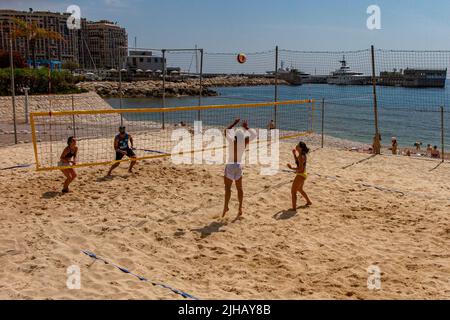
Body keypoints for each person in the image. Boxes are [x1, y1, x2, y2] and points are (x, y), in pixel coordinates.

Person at [222, 118, 257, 219]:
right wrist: (246, 127)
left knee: (228, 188)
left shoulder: (232, 141)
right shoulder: (245, 142)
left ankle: (226, 207)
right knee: (239, 188)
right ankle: (240, 208)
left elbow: (226, 131)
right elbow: (254, 135)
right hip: (239, 166)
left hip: (230, 165)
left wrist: (234, 123)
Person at [288, 141, 312, 210]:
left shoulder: (301, 156)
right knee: (300, 189)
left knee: (293, 191)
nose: (296, 146)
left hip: (301, 174)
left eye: (298, 145)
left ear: (300, 148)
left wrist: (291, 168)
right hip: (303, 174)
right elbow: (298, 163)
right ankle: (309, 202)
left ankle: (294, 208)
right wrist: (294, 154)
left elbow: (300, 168)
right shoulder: (302, 154)